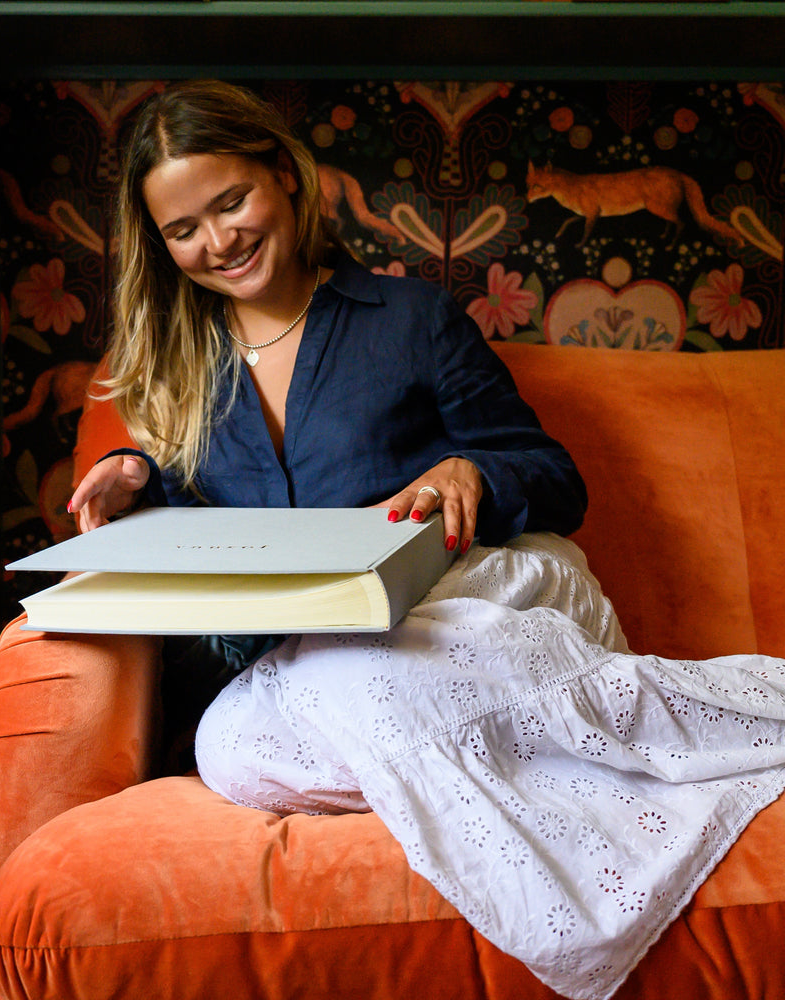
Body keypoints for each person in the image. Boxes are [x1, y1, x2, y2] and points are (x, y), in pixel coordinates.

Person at [67, 80, 785, 1000]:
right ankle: (537, 736)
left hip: (453, 610)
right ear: (161, 247)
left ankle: (695, 718)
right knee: (229, 746)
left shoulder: (410, 320)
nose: (218, 241)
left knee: (392, 661)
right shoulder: (174, 365)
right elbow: (213, 530)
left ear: (286, 178)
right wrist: (138, 477)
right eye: (183, 230)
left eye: (231, 201)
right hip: (314, 663)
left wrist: (475, 475)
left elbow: (554, 475)